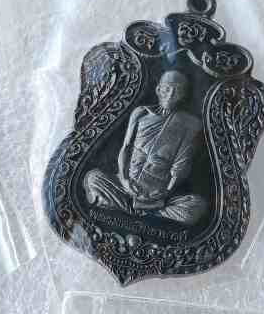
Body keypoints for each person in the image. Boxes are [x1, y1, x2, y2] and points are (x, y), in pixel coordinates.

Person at [83, 70, 208, 225]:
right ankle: (146, 213)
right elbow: (126, 147)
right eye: (167, 88)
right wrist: (125, 181)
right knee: (93, 178)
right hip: (126, 187)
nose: (171, 95)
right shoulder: (140, 113)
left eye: (178, 90)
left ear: (183, 95)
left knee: (196, 206)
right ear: (158, 89)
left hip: (159, 195)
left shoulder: (189, 124)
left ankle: (132, 210)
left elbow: (180, 166)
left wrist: (165, 192)